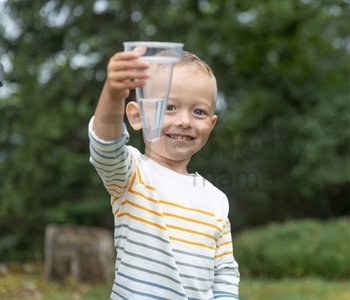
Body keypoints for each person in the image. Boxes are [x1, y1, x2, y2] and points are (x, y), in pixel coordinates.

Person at [88, 46, 240, 299]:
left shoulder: (216, 200)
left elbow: (224, 271)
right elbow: (106, 148)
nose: (185, 120)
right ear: (137, 116)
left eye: (199, 111)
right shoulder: (133, 174)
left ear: (211, 125)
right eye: (169, 107)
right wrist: (113, 93)